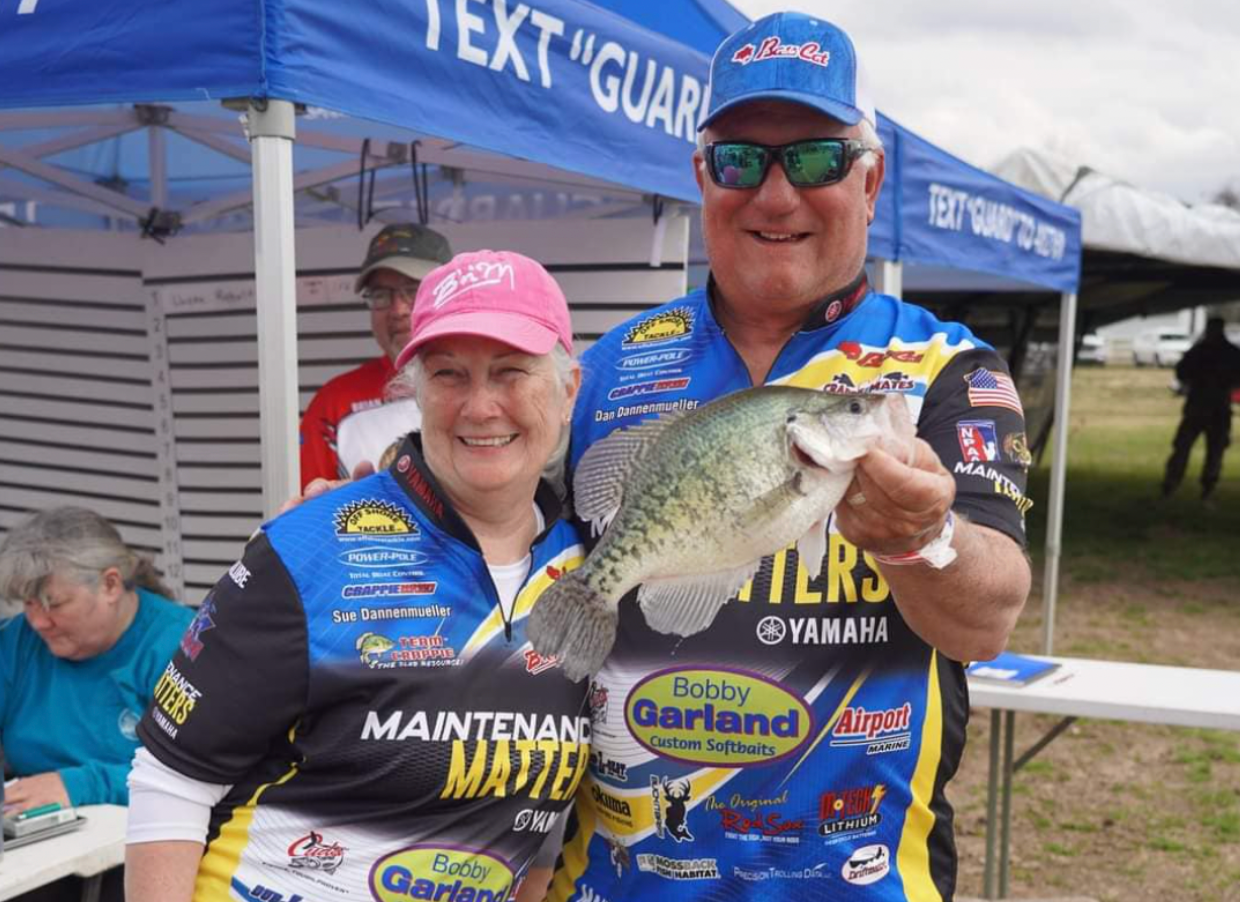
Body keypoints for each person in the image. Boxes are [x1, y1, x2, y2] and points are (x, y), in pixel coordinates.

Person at [547, 12, 1032, 901]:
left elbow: (988, 618)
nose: (776, 197)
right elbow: (502, 540)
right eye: (741, 161)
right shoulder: (606, 366)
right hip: (622, 880)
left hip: (859, 879)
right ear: (703, 177)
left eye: (815, 159)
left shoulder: (945, 370)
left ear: (871, 179)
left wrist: (923, 538)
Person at [125, 249, 590, 902]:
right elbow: (172, 778)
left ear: (568, 389)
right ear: (416, 395)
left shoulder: (592, 564)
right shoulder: (310, 548)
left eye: (511, 372)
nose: (481, 407)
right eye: (450, 374)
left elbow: (543, 821)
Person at [0, 507, 192, 902]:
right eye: (29, 605)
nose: (38, 621)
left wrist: (78, 784)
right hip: (33, 847)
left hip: (140, 853)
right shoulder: (18, 642)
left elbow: (198, 774)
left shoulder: (182, 646)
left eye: (54, 604)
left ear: (110, 585)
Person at [299, 222, 452, 489]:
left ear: (451, 294)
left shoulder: (491, 388)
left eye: (413, 290)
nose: (398, 309)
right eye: (381, 294)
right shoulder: (333, 403)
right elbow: (313, 513)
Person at [1161, 317, 1240, 501]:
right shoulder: (1228, 353)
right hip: (1215, 407)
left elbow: (1181, 372)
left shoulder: (1200, 351)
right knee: (1210, 450)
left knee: (1193, 448)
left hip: (1202, 406)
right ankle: (1202, 487)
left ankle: (1175, 485)